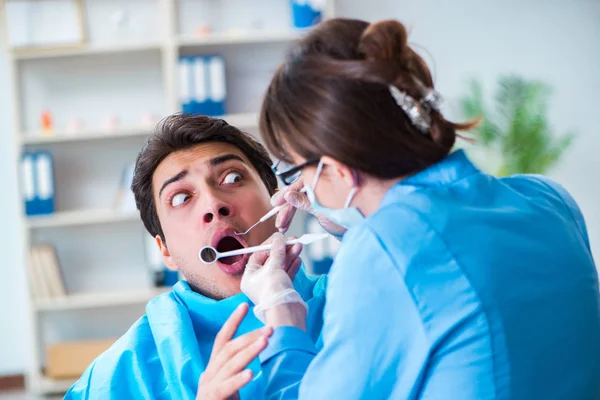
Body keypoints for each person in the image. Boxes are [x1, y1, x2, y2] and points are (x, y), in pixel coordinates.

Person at [224, 18, 600, 399]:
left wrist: (281, 312)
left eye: (294, 169)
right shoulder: (548, 199)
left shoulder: (382, 252)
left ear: (335, 170)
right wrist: (351, 222)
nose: (295, 184)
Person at [64, 115, 328, 399]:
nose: (213, 204)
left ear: (278, 199)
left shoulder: (359, 301)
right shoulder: (116, 377)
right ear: (165, 250)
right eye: (180, 198)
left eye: (232, 177)